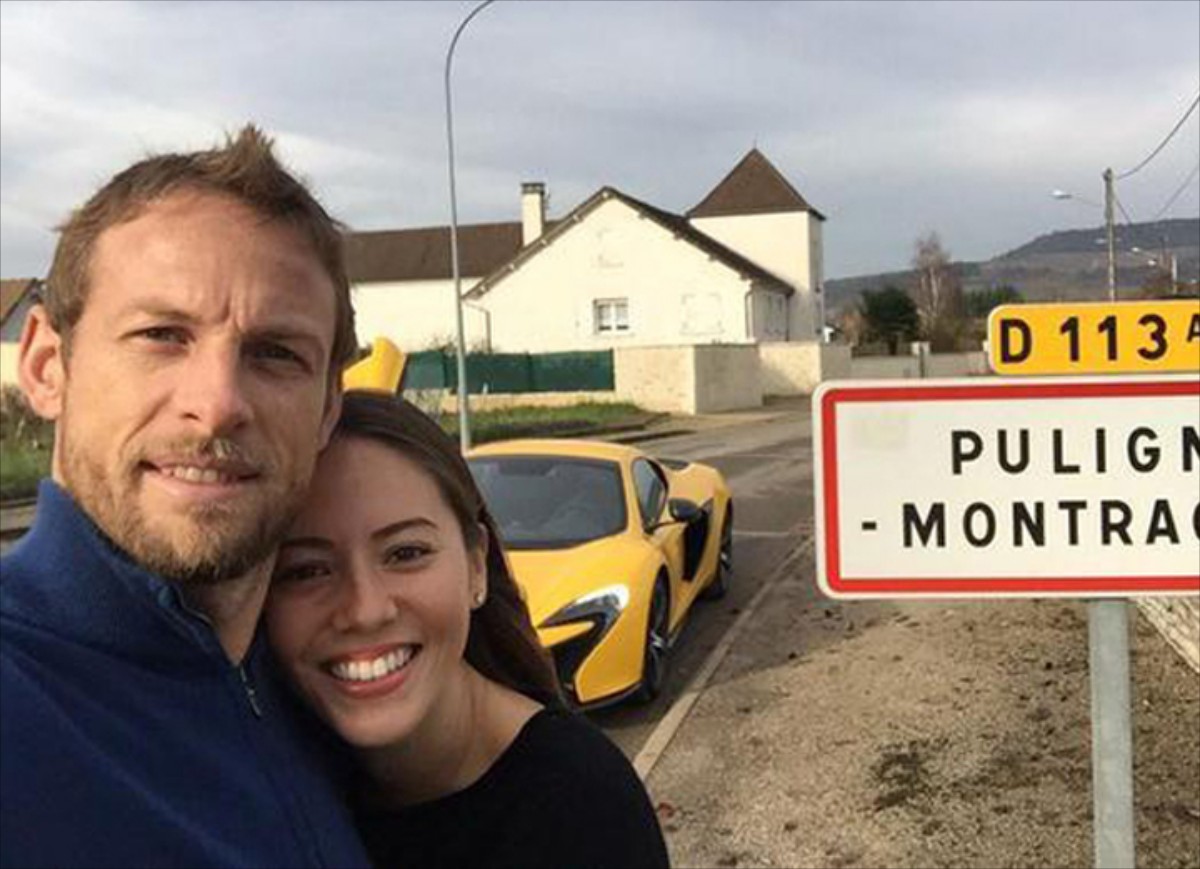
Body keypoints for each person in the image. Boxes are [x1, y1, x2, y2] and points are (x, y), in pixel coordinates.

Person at [0, 127, 370, 868]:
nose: (218, 403)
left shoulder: (336, 698)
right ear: (46, 366)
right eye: (162, 334)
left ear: (329, 407)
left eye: (275, 353)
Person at [265, 391, 670, 869]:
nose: (365, 611)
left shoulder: (584, 813)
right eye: (307, 570)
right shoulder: (259, 779)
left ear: (477, 566)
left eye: (406, 553)